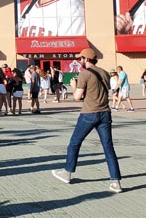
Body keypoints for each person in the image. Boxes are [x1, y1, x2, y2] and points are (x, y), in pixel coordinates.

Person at [52, 48, 122, 193]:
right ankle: (116, 182)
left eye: (81, 59)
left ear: (86, 59)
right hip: (105, 113)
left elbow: (78, 97)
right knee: (108, 147)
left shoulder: (84, 74)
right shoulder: (105, 73)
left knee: (74, 143)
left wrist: (73, 85)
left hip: (89, 113)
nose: (80, 61)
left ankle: (67, 173)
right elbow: (99, 91)